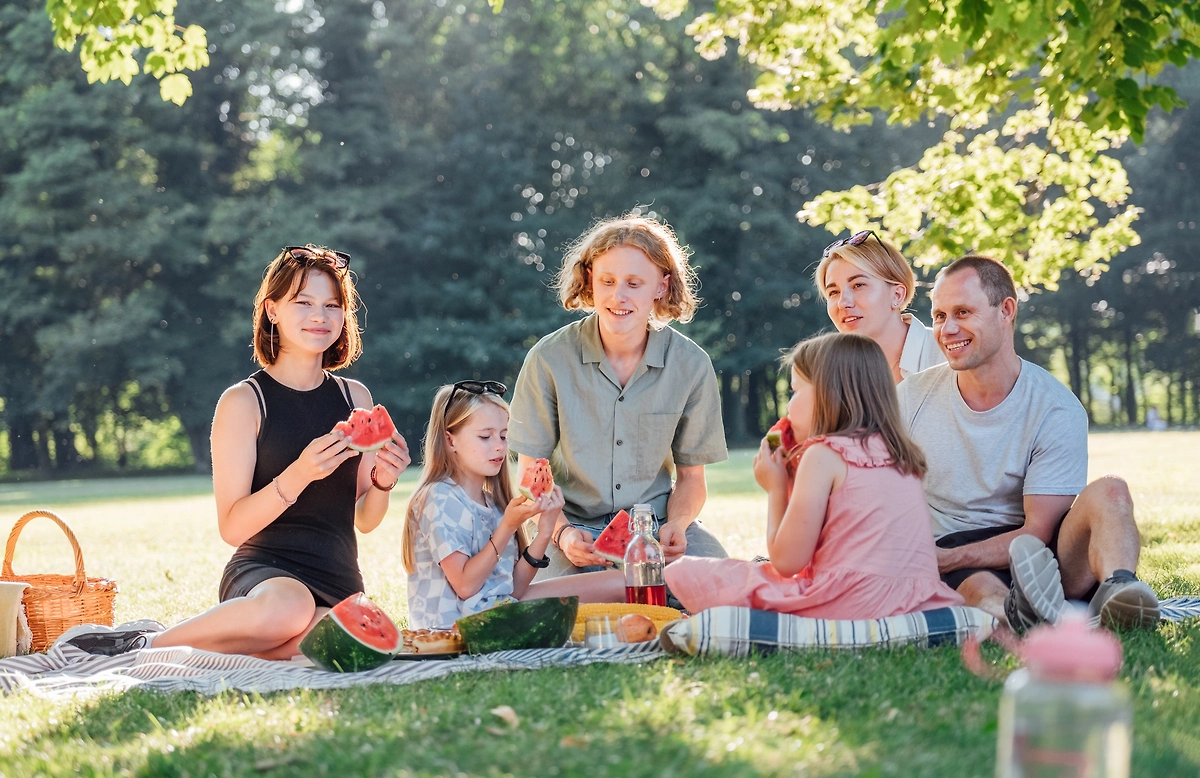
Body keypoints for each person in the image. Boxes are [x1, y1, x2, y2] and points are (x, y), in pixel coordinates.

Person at [61, 245, 412, 657]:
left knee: (354, 641)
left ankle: (224, 645)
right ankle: (146, 644)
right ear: (272, 310)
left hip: (339, 579)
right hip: (266, 577)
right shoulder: (243, 402)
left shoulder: (356, 397)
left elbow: (365, 520)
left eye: (332, 305)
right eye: (303, 302)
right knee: (289, 611)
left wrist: (383, 482)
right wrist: (300, 472)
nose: (320, 316)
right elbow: (233, 528)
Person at [897, 255, 1161, 631]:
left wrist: (948, 559)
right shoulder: (910, 397)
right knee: (983, 589)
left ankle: (1120, 591)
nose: (947, 329)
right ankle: (1022, 615)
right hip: (956, 546)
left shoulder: (1056, 407)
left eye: (963, 312)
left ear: (1005, 310)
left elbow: (1037, 532)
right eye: (939, 316)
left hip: (1039, 552)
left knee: (1112, 490)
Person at [663, 332, 964, 618]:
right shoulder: (900, 454)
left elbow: (785, 563)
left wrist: (776, 487)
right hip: (915, 602)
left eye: (794, 391)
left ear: (828, 395)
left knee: (685, 572)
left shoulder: (823, 454)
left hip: (845, 603)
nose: (789, 405)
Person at [508, 215, 729, 578]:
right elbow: (532, 471)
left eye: (634, 283)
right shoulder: (548, 358)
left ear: (661, 286)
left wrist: (678, 522)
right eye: (607, 281)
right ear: (590, 281)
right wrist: (562, 534)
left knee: (722, 591)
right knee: (550, 610)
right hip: (569, 525)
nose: (618, 296)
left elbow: (691, 478)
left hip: (655, 526)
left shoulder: (690, 365)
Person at [403, 382, 624, 629]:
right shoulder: (439, 498)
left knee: (621, 583)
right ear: (450, 440)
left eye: (504, 435)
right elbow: (466, 586)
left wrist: (545, 531)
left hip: (500, 610)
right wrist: (508, 526)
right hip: (460, 628)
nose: (499, 445)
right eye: (485, 436)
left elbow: (514, 588)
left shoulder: (493, 503)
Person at [816, 230, 944, 383]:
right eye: (834, 292)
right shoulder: (834, 377)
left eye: (858, 285)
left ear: (897, 295)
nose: (843, 303)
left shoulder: (948, 356)